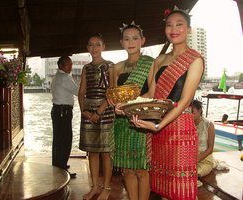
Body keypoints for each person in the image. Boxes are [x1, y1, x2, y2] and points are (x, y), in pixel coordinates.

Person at [132, 9, 204, 200]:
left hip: (180, 129)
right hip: (159, 130)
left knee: (181, 191)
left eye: (179, 24)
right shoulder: (159, 60)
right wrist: (126, 105)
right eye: (169, 25)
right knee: (165, 189)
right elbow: (151, 94)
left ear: (188, 29)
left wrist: (158, 125)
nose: (174, 29)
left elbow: (185, 101)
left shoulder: (194, 59)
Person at [110, 21, 154, 200]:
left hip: (141, 120)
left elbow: (152, 92)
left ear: (143, 40)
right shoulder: (116, 67)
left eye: (135, 38)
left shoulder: (150, 63)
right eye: (126, 39)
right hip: (121, 122)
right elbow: (113, 95)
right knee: (127, 168)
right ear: (121, 42)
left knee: (141, 169)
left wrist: (131, 105)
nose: (131, 42)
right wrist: (116, 105)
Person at [78, 33, 115, 200]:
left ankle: (106, 188)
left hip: (106, 110)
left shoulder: (111, 66)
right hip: (88, 110)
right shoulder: (86, 68)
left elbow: (113, 92)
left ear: (104, 46)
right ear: (87, 48)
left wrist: (99, 110)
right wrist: (84, 110)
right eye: (91, 45)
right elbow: (81, 92)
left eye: (97, 44)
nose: (94, 48)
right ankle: (94, 187)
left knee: (106, 152)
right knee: (92, 152)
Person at [51, 56, 79, 178]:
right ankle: (61, 168)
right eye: (68, 64)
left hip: (58, 111)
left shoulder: (57, 76)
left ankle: (58, 165)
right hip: (63, 112)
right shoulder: (64, 77)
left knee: (58, 140)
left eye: (71, 64)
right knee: (65, 140)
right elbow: (78, 92)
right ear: (60, 66)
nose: (70, 66)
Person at [191, 99, 215, 187]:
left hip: (205, 160)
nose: (190, 115)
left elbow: (210, 149)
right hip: (190, 159)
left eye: (192, 112)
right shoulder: (187, 124)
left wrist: (195, 160)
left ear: (200, 110)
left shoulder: (209, 125)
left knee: (191, 173)